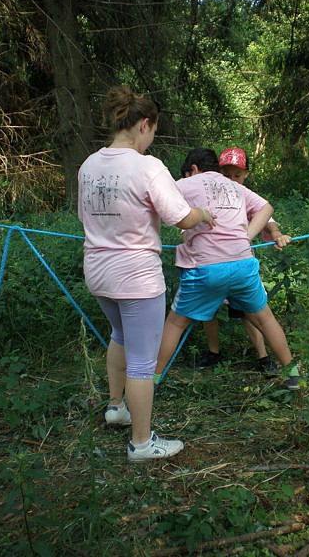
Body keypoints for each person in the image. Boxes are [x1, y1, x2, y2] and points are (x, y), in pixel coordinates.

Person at [78, 86, 215, 462]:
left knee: (119, 334)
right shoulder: (147, 166)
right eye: (153, 131)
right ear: (143, 125)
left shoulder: (89, 165)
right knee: (142, 360)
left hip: (98, 272)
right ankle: (141, 443)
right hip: (136, 277)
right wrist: (201, 214)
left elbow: (84, 217)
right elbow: (180, 217)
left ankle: (115, 406)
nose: (151, 138)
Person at [154, 147, 300, 391]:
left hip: (206, 267)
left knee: (176, 323)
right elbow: (267, 208)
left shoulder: (187, 183)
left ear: (194, 169)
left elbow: (157, 200)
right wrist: (246, 236)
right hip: (243, 263)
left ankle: (152, 380)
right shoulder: (236, 187)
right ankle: (293, 374)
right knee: (265, 318)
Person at [195, 147, 292, 377]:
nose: (232, 180)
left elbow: (268, 218)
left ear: (246, 174)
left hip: (240, 267)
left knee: (250, 312)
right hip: (212, 264)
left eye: (237, 176)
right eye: (227, 175)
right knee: (208, 311)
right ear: (218, 173)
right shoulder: (210, 194)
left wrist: (277, 234)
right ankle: (213, 352)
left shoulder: (245, 196)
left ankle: (264, 356)